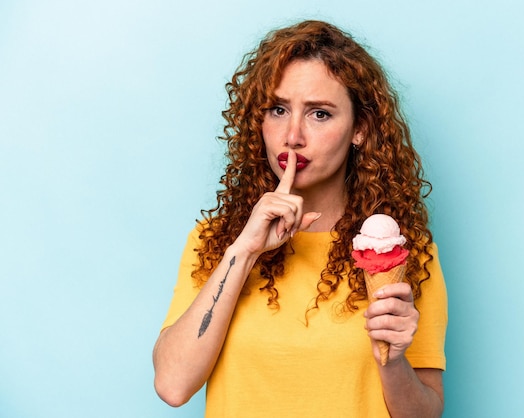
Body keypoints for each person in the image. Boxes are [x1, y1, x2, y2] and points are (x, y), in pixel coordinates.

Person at [153, 20, 447, 418]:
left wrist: (392, 362)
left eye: (320, 114)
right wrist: (244, 250)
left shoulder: (403, 253)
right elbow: (172, 386)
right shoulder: (216, 241)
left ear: (359, 129)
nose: (292, 135)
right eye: (278, 110)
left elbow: (425, 413)